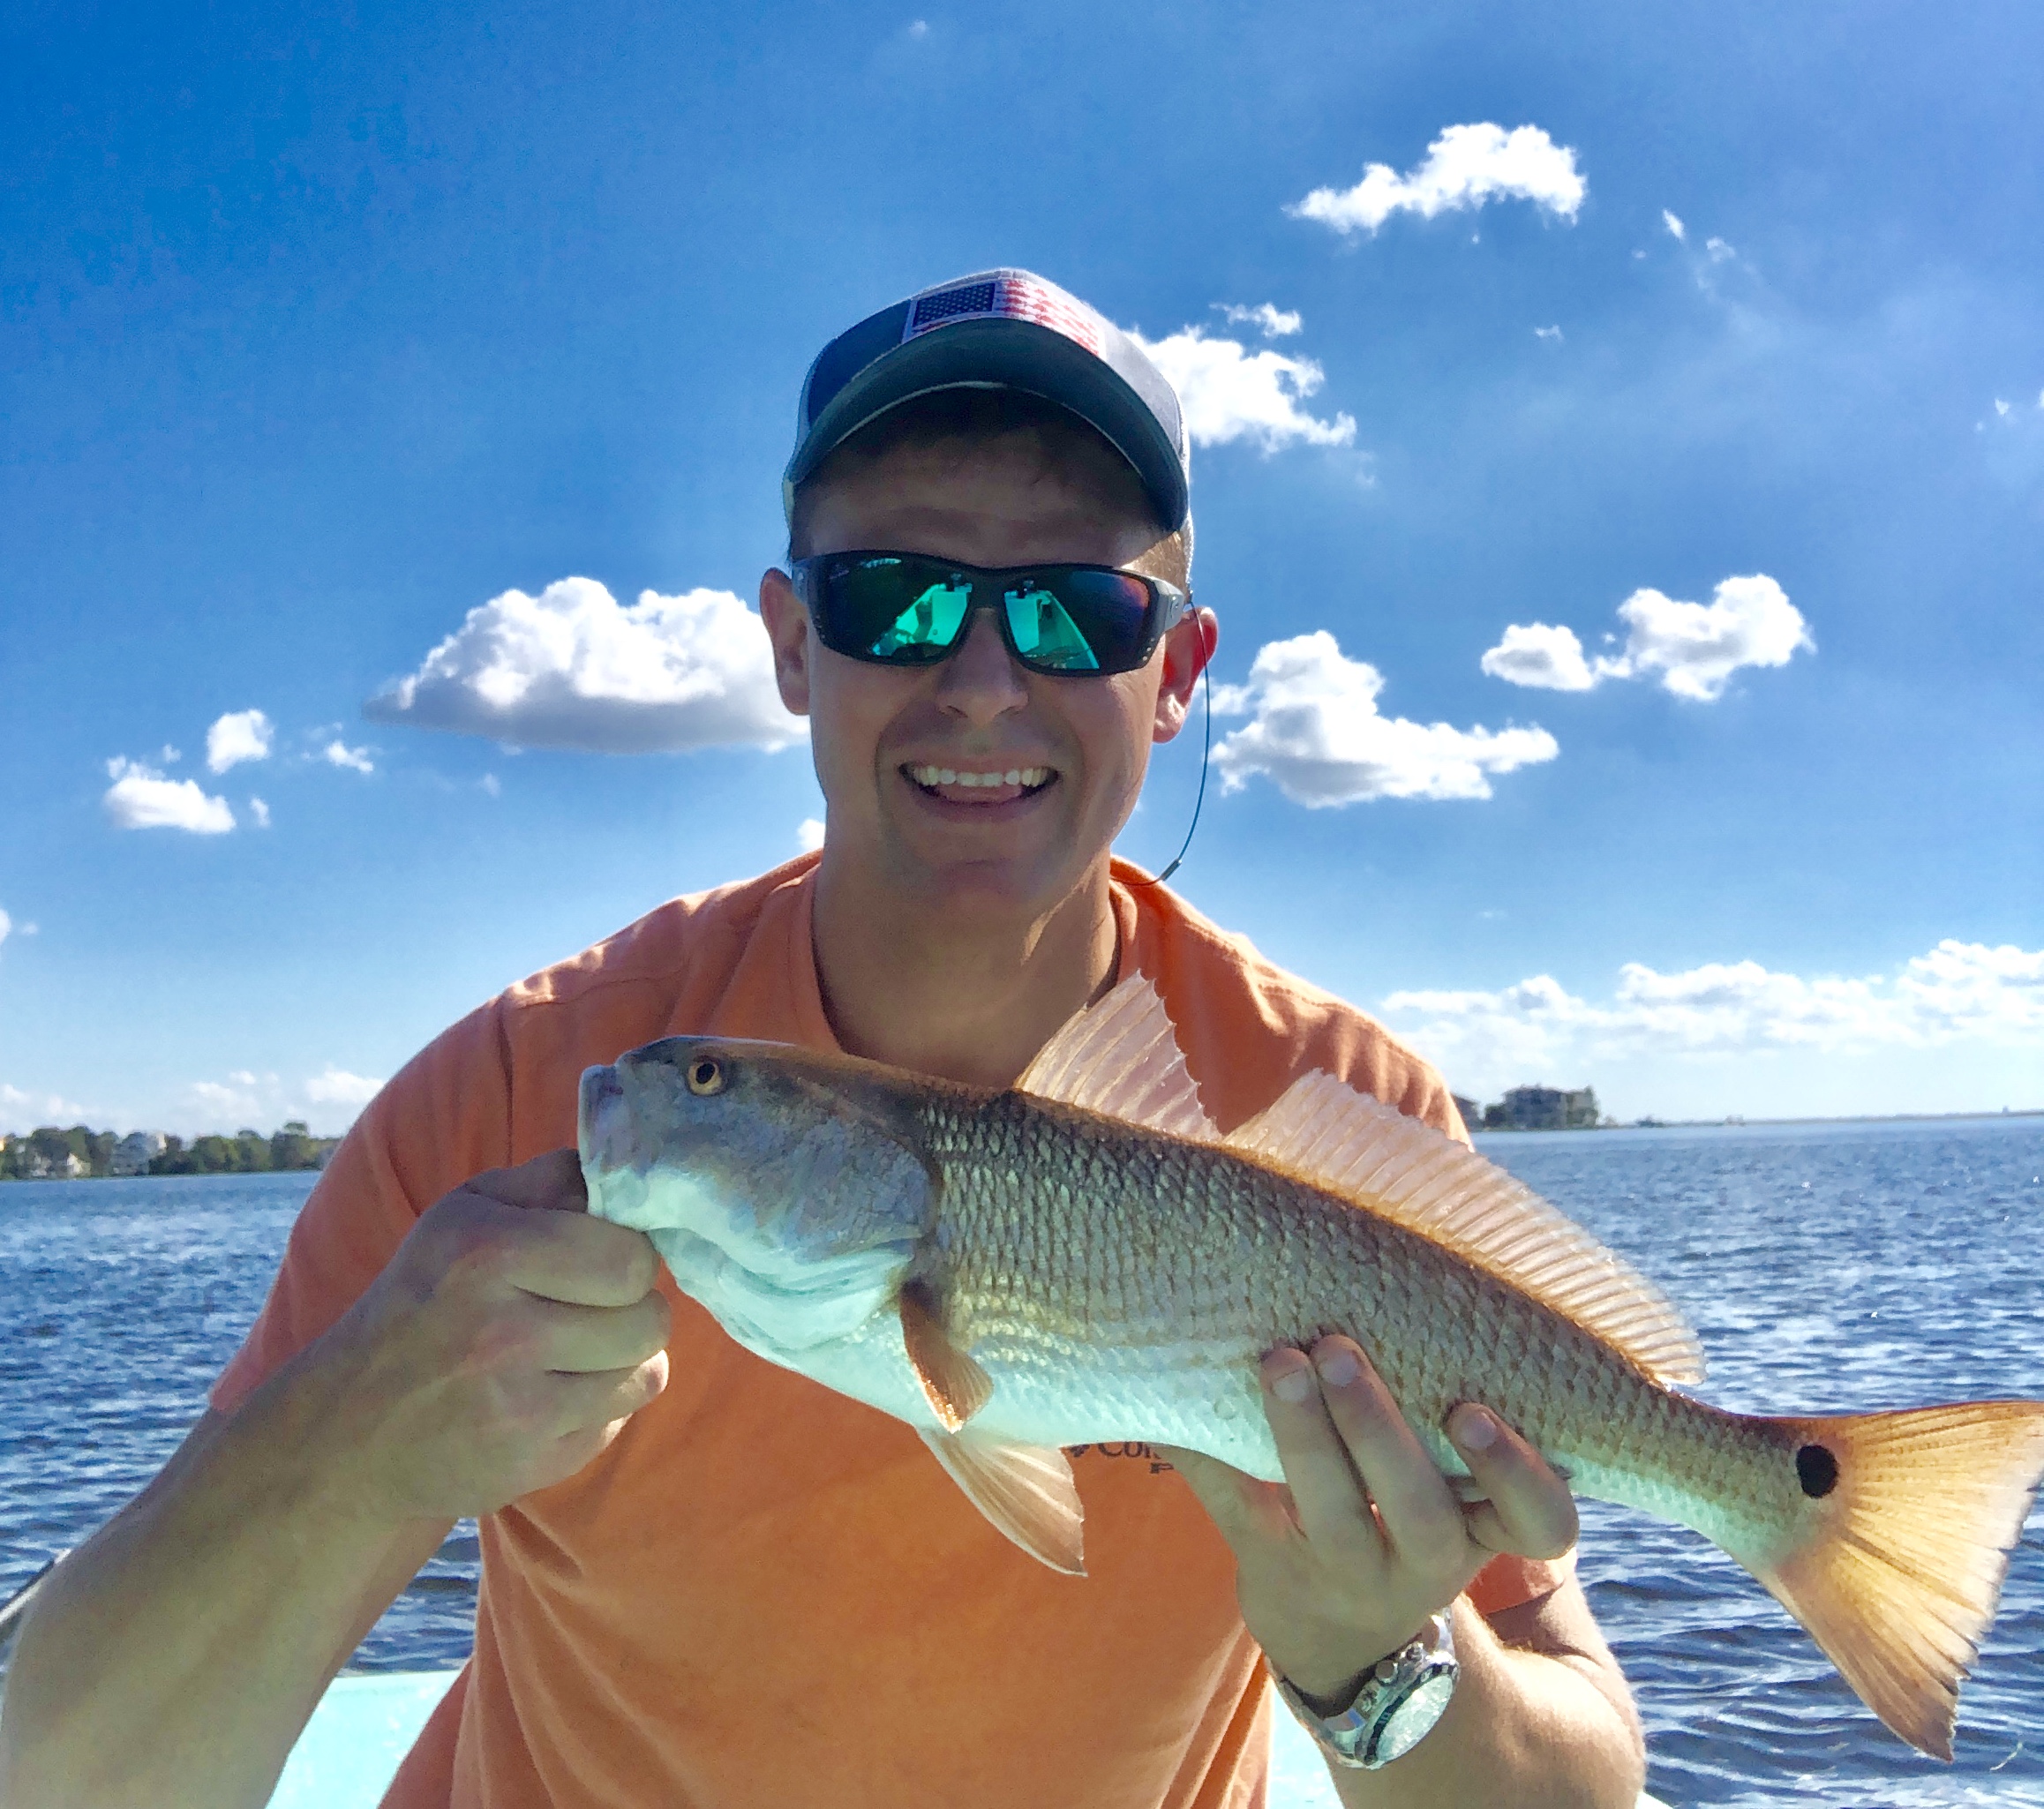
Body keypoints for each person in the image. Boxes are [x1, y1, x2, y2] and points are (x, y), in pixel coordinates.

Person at [0, 269, 1647, 1808]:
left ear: (1178, 672)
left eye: (1079, 609)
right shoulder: (518, 1099)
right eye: (897, 600)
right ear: (794, 645)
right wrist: (349, 1446)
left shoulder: (1337, 1121)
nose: (989, 681)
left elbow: (1594, 1780)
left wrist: (1379, 1669)